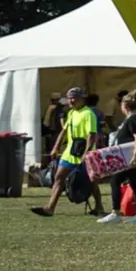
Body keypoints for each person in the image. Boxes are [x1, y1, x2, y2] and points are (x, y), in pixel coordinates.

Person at [31, 87, 103, 217]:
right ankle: (50, 208)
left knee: (91, 181)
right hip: (69, 152)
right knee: (59, 177)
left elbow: (92, 135)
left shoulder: (89, 114)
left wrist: (86, 153)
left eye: (74, 98)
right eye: (69, 98)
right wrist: (56, 147)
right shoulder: (71, 113)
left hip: (84, 153)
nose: (71, 101)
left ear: (82, 99)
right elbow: (64, 131)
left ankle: (99, 206)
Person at [98, 90, 136, 224]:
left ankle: (115, 213)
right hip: (129, 157)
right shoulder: (132, 119)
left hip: (129, 158)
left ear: (124, 106)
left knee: (115, 181)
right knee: (135, 183)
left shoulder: (134, 119)